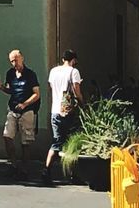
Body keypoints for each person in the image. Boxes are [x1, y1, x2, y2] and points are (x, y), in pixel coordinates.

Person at [0, 48, 41, 179]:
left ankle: (25, 168)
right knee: (7, 136)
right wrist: (2, 87)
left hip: (27, 110)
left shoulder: (30, 74)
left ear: (22, 58)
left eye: (16, 60)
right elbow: (11, 91)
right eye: (12, 61)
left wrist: (25, 104)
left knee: (25, 142)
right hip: (13, 108)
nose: (14, 63)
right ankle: (13, 164)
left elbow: (37, 94)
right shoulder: (10, 73)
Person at [44, 50, 82, 185]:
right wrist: (82, 103)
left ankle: (47, 170)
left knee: (57, 142)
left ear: (62, 59)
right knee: (71, 142)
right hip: (69, 112)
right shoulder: (74, 72)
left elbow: (51, 86)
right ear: (73, 60)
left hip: (55, 111)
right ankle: (72, 173)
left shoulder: (53, 71)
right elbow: (77, 91)